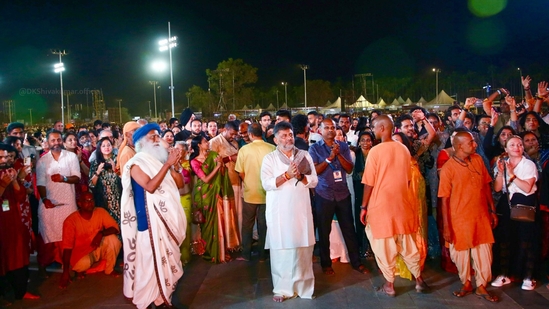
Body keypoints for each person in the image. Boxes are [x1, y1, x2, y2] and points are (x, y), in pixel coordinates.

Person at [359, 115, 428, 297]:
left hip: (381, 206)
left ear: (382, 128)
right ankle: (419, 280)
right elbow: (406, 180)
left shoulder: (376, 151)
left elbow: (369, 183)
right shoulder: (403, 149)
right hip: (402, 205)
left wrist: (363, 207)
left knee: (384, 245)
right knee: (408, 244)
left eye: (374, 127)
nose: (372, 130)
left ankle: (389, 285)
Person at [120, 123, 186, 309]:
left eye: (158, 136)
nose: (158, 140)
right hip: (149, 223)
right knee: (149, 266)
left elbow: (180, 184)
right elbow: (149, 186)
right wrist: (167, 164)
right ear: (141, 142)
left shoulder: (160, 161)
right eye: (152, 137)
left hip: (167, 222)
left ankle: (162, 300)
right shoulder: (136, 163)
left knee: (170, 261)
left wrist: (176, 165)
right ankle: (147, 301)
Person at [260, 121, 318, 302]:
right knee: (282, 251)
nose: (288, 138)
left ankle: (304, 287)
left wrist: (300, 176)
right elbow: (267, 184)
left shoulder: (304, 156)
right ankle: (282, 289)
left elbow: (314, 181)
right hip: (280, 213)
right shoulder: (269, 159)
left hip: (301, 211)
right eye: (283, 136)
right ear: (276, 139)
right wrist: (287, 175)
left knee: (302, 249)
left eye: (290, 134)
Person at [438, 132, 498, 302]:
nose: (475, 145)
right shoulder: (448, 168)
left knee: (485, 253)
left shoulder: (478, 159)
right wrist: (447, 227)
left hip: (481, 216)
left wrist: (492, 210)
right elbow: (444, 200)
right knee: (461, 254)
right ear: (459, 146)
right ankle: (466, 283)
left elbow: (486, 185)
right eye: (471, 142)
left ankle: (481, 286)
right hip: (459, 219)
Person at [309, 118, 368, 275]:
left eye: (332, 127)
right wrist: (329, 158)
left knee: (349, 229)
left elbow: (349, 169)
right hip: (324, 194)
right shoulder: (314, 148)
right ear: (320, 131)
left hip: (342, 193)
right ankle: (326, 264)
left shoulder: (342, 146)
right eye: (326, 127)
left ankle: (356, 262)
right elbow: (315, 171)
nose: (330, 130)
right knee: (324, 231)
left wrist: (338, 154)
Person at [492, 135, 539, 291]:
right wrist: (500, 172)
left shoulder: (529, 164)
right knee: (505, 239)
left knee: (526, 240)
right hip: (507, 204)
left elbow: (527, 188)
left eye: (519, 144)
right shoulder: (502, 164)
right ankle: (504, 274)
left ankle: (528, 277)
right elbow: (497, 188)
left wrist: (511, 174)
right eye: (512, 145)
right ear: (506, 149)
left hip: (524, 204)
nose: (517, 147)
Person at [36, 130, 80, 277]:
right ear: (48, 143)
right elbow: (40, 183)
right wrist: (44, 199)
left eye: (58, 140)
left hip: (68, 203)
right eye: (53, 140)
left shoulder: (71, 156)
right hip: (49, 203)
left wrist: (64, 179)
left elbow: (77, 177)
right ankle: (43, 266)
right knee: (47, 236)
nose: (56, 143)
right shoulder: (42, 161)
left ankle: (67, 266)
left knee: (67, 236)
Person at [0, 143, 40, 302]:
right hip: (3, 223)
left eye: (8, 156)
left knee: (18, 254)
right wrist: (4, 184)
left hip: (14, 221)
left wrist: (16, 180)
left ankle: (20, 291)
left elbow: (21, 195)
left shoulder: (12, 171)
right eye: (2, 157)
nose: (5, 160)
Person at [190, 135, 239, 263]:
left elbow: (222, 173)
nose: (208, 143)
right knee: (208, 225)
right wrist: (218, 166)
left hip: (217, 192)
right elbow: (205, 179)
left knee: (219, 220)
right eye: (205, 141)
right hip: (205, 195)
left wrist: (221, 166)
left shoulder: (213, 155)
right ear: (199, 145)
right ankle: (211, 252)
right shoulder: (194, 161)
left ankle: (222, 251)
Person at [59, 192, 122, 289]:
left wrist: (101, 234)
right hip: (81, 254)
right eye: (86, 201)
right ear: (79, 203)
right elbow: (67, 248)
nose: (90, 203)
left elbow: (115, 228)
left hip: (96, 247)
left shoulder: (100, 211)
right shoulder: (70, 221)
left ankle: (109, 269)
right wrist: (65, 273)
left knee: (113, 239)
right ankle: (88, 267)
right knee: (82, 265)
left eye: (92, 200)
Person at [235, 123, 275, 261]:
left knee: (247, 224)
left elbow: (240, 172)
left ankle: (246, 254)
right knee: (263, 225)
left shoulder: (244, 150)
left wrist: (249, 182)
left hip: (250, 193)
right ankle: (262, 255)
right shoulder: (272, 148)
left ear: (251, 135)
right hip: (267, 193)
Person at [209, 121, 242, 239]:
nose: (233, 136)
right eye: (231, 134)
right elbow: (210, 163)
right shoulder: (214, 142)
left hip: (236, 180)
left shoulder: (234, 143)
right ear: (225, 130)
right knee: (226, 213)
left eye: (235, 134)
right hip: (223, 182)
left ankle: (236, 240)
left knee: (237, 212)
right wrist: (229, 158)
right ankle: (227, 242)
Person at [89, 137, 122, 228]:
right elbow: (91, 184)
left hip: (119, 199)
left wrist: (115, 169)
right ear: (99, 148)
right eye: (103, 146)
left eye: (108, 145)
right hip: (103, 201)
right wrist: (98, 172)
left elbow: (125, 180)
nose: (106, 147)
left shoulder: (118, 159)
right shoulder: (95, 163)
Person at [353, 131, 375, 257]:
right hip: (359, 191)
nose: (365, 143)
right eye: (363, 140)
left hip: (374, 190)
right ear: (359, 142)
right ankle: (363, 247)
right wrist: (364, 175)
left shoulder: (376, 154)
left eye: (368, 140)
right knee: (360, 218)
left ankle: (373, 247)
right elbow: (353, 173)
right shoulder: (355, 154)